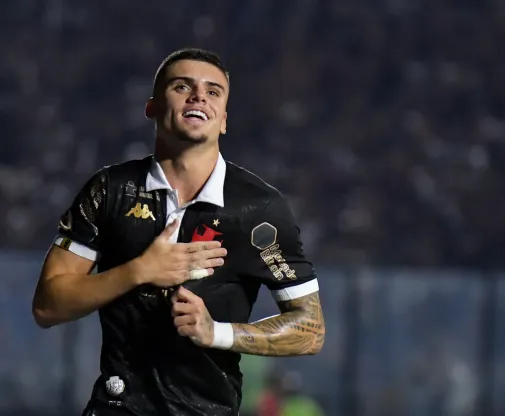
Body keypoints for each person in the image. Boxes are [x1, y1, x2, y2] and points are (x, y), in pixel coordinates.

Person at [31, 48, 325, 416]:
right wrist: (138, 271)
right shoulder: (110, 190)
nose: (199, 96)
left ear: (223, 121)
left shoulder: (259, 209)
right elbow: (47, 305)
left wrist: (215, 332)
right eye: (182, 86)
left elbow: (310, 328)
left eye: (213, 91)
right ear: (151, 106)